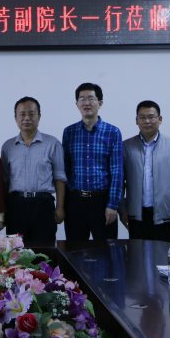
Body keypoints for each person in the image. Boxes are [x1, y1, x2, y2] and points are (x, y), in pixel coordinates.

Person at [120, 100, 170, 242]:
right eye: (142, 117)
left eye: (151, 117)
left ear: (160, 119)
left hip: (165, 216)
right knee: (137, 254)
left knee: (163, 255)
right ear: (136, 120)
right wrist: (122, 209)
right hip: (136, 215)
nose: (147, 121)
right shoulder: (125, 147)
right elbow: (118, 182)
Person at [1, 96, 66, 245]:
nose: (27, 118)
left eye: (31, 114)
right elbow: (4, 181)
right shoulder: (8, 147)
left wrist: (60, 208)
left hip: (43, 205)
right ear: (15, 118)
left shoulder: (52, 143)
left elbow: (60, 177)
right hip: (16, 205)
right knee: (15, 252)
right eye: (22, 114)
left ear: (39, 116)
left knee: (45, 250)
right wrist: (2, 211)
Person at [62, 82, 123, 241]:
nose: (86, 103)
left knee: (106, 251)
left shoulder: (113, 132)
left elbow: (117, 172)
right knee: (74, 250)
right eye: (82, 99)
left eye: (90, 98)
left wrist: (112, 205)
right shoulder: (69, 132)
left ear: (100, 103)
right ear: (76, 104)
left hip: (102, 202)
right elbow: (65, 169)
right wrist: (64, 204)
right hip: (75, 201)